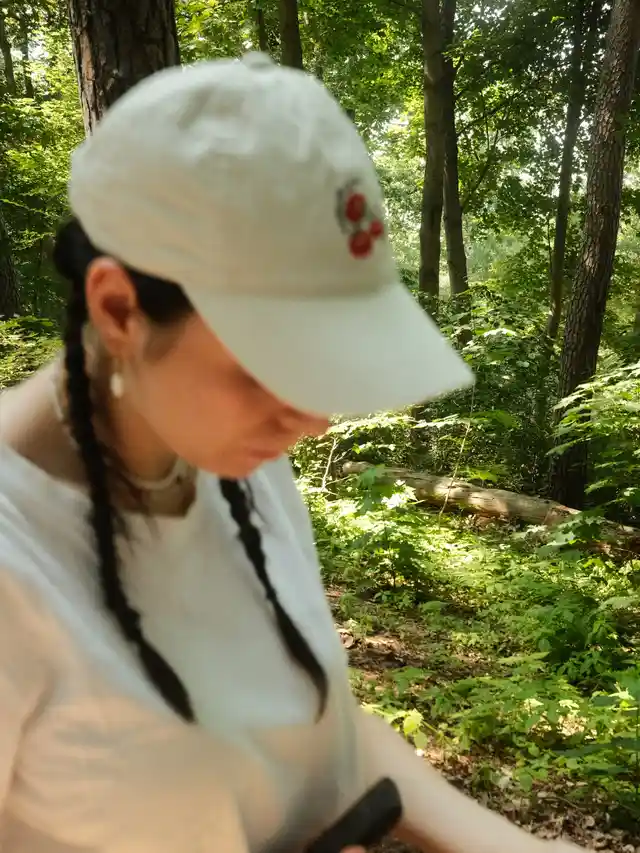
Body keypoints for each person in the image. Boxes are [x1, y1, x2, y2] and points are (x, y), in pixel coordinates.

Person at [0, 51, 577, 853]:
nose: (314, 420)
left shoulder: (236, 462)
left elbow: (322, 739)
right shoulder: (17, 559)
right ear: (119, 308)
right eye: (272, 362)